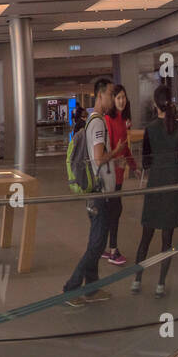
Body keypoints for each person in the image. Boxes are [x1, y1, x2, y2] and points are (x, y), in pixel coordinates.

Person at [63, 78, 126, 306]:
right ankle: (71, 289)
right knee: (97, 245)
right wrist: (116, 152)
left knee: (96, 243)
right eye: (110, 94)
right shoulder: (98, 122)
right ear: (100, 95)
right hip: (99, 193)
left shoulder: (92, 120)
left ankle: (91, 289)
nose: (112, 99)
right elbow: (99, 158)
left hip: (96, 192)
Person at [132, 86, 178, 297]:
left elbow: (145, 162)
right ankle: (160, 285)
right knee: (167, 240)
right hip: (172, 184)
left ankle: (137, 280)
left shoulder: (151, 129)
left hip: (155, 184)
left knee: (146, 236)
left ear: (155, 104)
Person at [102, 84, 139, 265]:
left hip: (118, 173)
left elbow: (125, 148)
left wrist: (133, 166)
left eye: (124, 97)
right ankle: (113, 251)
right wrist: (119, 155)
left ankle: (105, 247)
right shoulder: (108, 119)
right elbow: (109, 148)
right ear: (112, 100)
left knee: (112, 210)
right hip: (110, 174)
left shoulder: (123, 120)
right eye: (118, 98)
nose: (122, 101)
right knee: (114, 210)